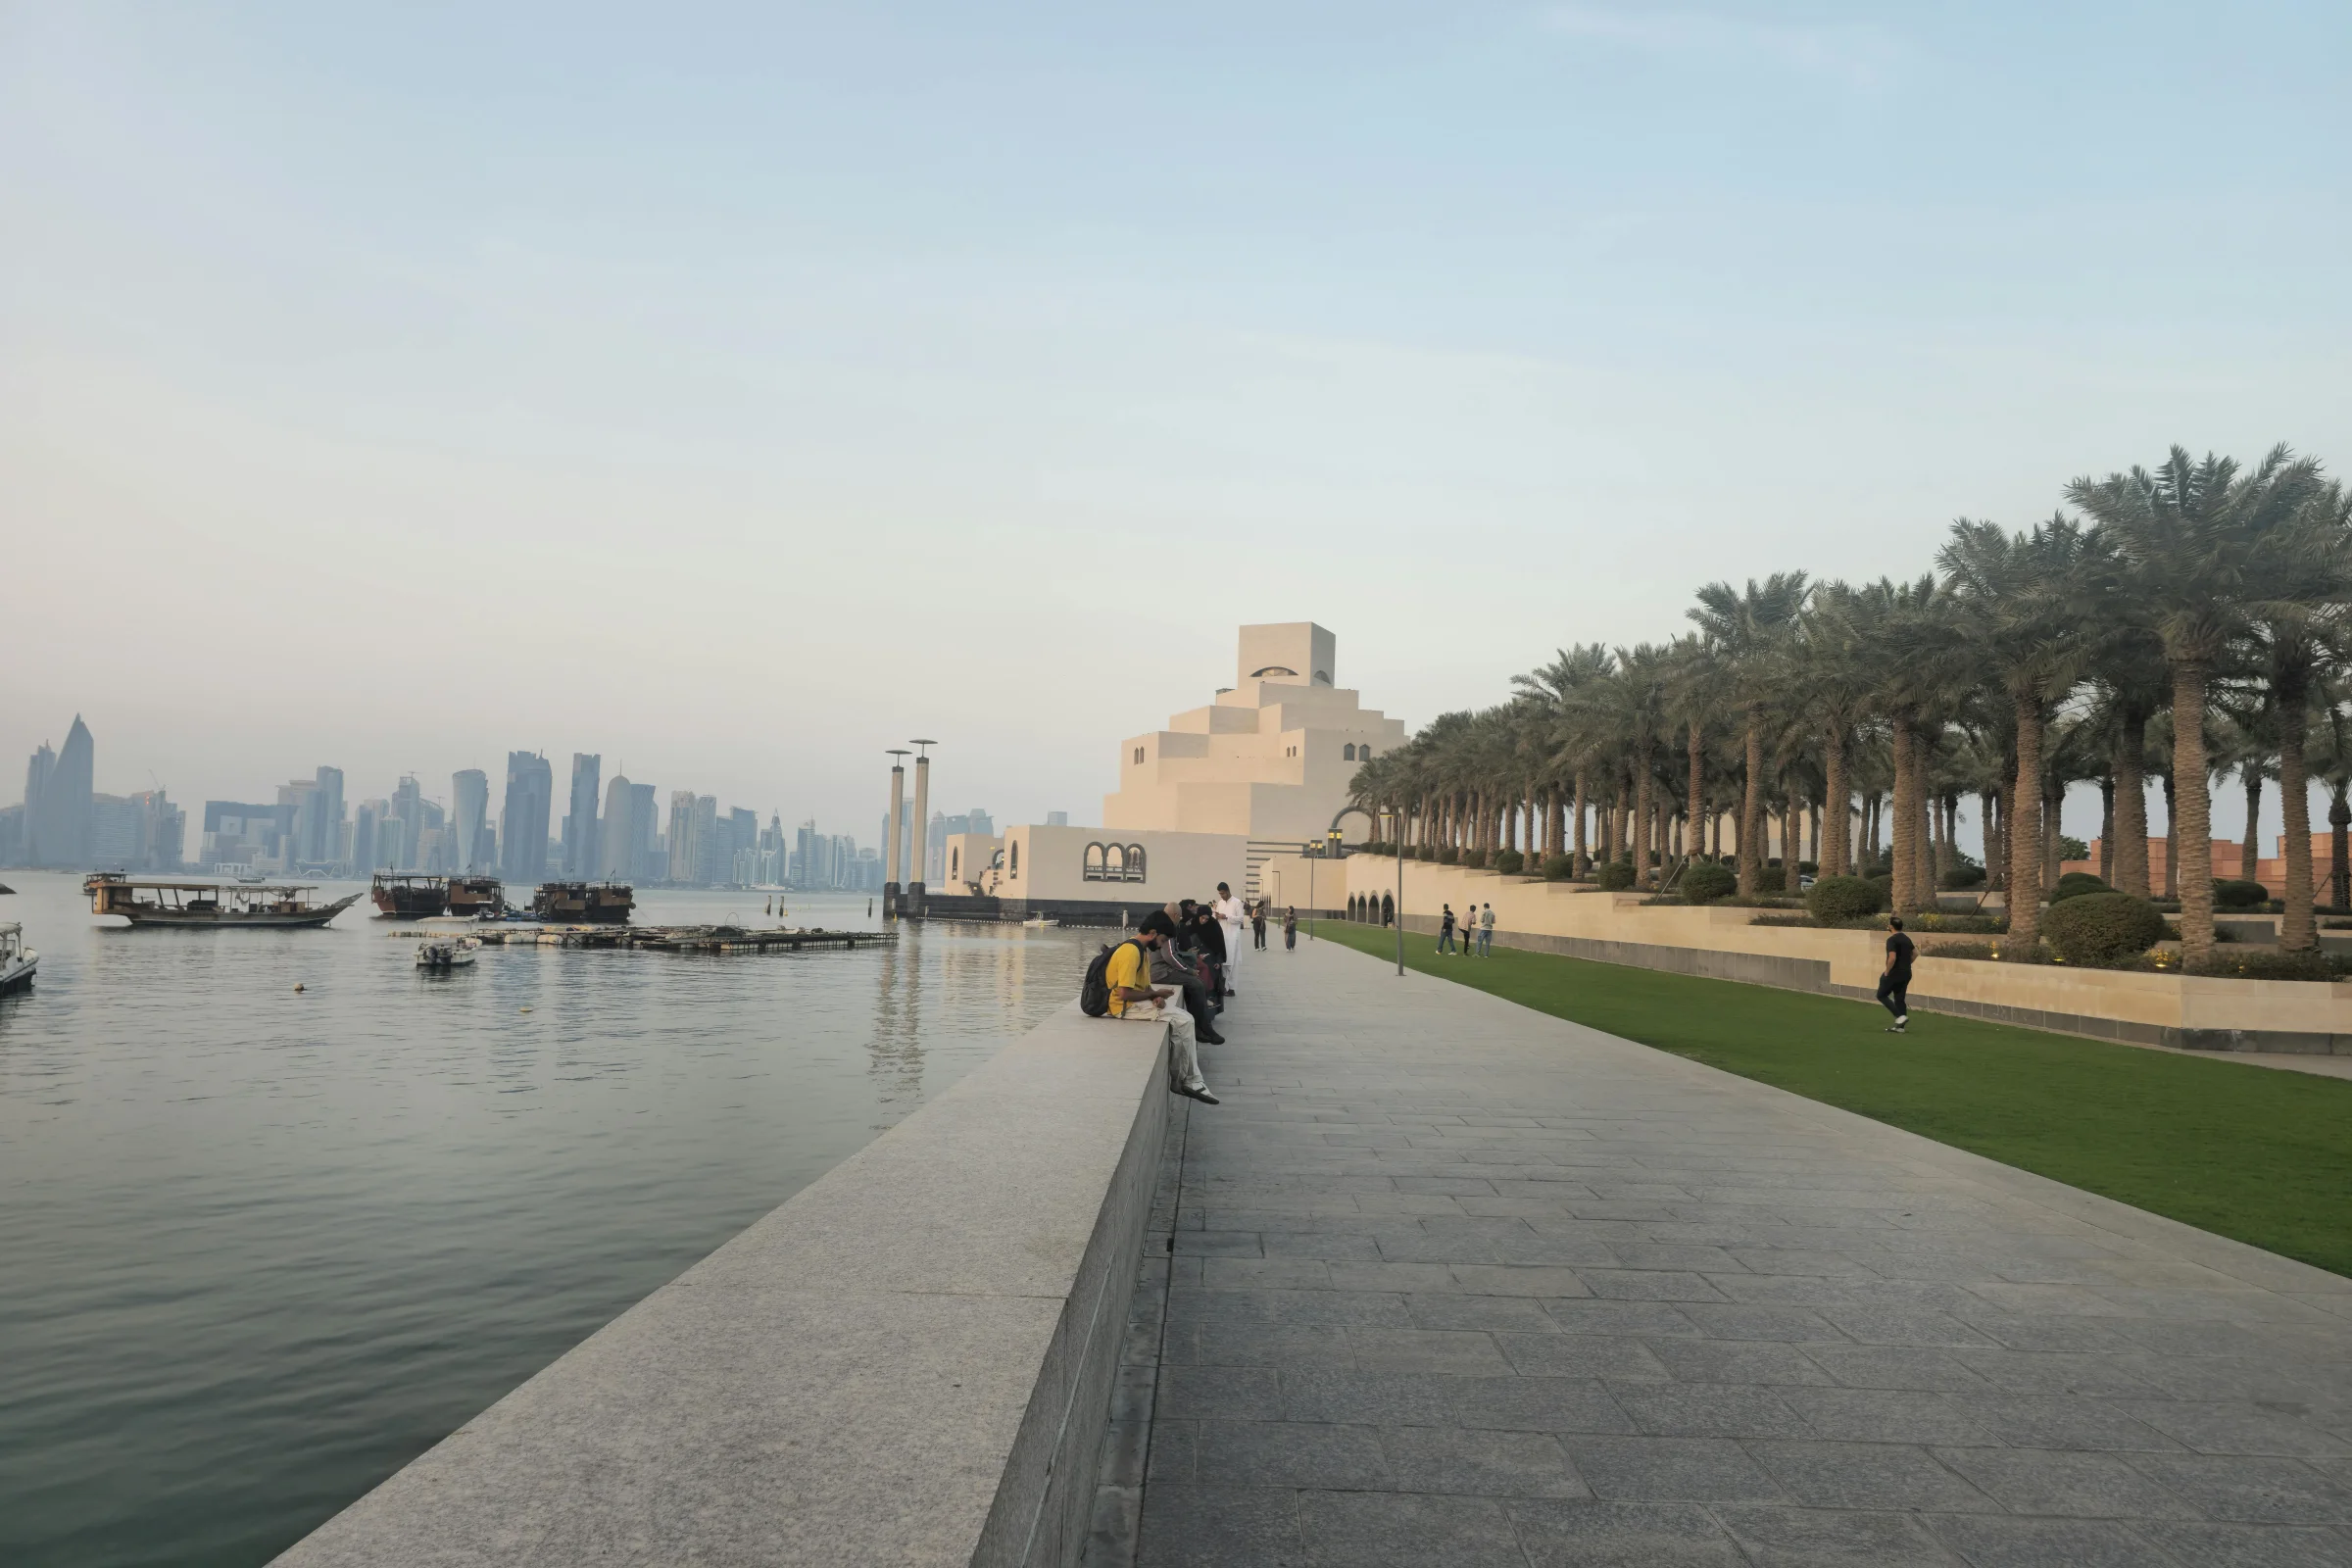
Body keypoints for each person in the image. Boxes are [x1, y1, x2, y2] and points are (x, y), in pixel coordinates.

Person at [1103, 922, 1220, 1102]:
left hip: (1132, 1003)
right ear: (1152, 933)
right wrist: (1154, 993)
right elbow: (1124, 993)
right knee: (1184, 1021)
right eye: (1162, 940)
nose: (1161, 945)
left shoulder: (1141, 950)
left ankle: (1188, 1080)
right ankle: (1187, 1081)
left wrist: (1153, 997)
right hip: (1123, 1008)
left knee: (1187, 1018)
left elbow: (1142, 985)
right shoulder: (1131, 952)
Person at [1880, 914, 1915, 1033]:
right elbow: (1915, 953)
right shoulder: (1906, 938)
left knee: (1881, 995)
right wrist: (1906, 963)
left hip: (1895, 973)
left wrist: (1887, 971)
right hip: (1906, 973)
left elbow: (1892, 958)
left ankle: (1900, 1017)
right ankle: (1900, 1028)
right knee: (1899, 999)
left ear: (1891, 926)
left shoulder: (1892, 940)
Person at [1212, 882, 1248, 996]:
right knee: (1223, 962)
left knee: (1232, 963)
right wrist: (1217, 916)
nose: (1221, 896)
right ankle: (1223, 987)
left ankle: (1231, 988)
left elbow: (1240, 919)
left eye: (1222, 893)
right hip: (1222, 935)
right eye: (1220, 894)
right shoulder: (1220, 903)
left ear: (1227, 891)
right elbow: (1216, 917)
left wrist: (1226, 917)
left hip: (1233, 937)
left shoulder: (1237, 903)